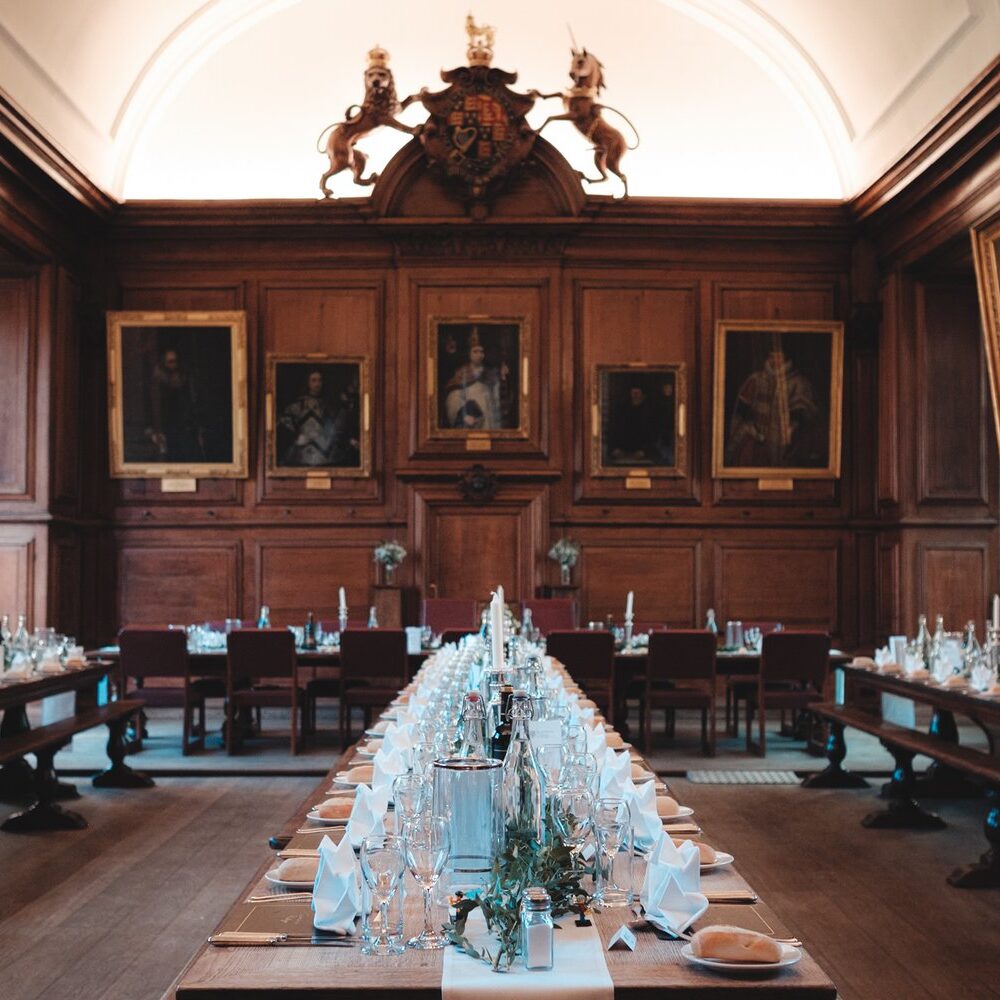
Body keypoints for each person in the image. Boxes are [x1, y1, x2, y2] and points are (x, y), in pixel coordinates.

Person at [725, 346, 820, 468]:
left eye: (779, 357)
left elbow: (803, 413)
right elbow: (741, 412)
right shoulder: (755, 379)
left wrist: (792, 429)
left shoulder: (798, 383)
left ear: (786, 359)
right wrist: (750, 430)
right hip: (755, 440)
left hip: (786, 443)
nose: (775, 360)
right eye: (772, 356)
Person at [278, 369, 358, 467]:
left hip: (328, 458)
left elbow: (336, 429)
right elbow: (284, 427)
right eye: (313, 380)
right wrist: (295, 438)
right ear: (307, 383)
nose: (317, 384)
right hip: (302, 458)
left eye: (320, 380)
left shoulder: (329, 405)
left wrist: (349, 440)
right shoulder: (297, 406)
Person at [442, 329, 510, 430]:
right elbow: (453, 396)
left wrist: (503, 378)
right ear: (469, 353)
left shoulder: (490, 372)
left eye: (481, 352)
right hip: (471, 419)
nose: (479, 355)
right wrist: (463, 415)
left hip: (489, 416)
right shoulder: (461, 373)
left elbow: (498, 396)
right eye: (475, 352)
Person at [146, 348, 204, 462]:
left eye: (176, 361)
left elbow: (189, 404)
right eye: (170, 362)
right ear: (164, 363)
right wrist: (153, 430)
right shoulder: (156, 383)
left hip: (182, 428)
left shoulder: (183, 380)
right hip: (164, 429)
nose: (174, 365)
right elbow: (152, 408)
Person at [607, 378, 675, 466]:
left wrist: (645, 450)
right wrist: (615, 448)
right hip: (623, 450)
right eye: (633, 392)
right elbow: (615, 429)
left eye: (637, 392)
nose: (635, 395)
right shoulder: (623, 408)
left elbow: (654, 434)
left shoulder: (650, 411)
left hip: (644, 450)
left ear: (643, 395)